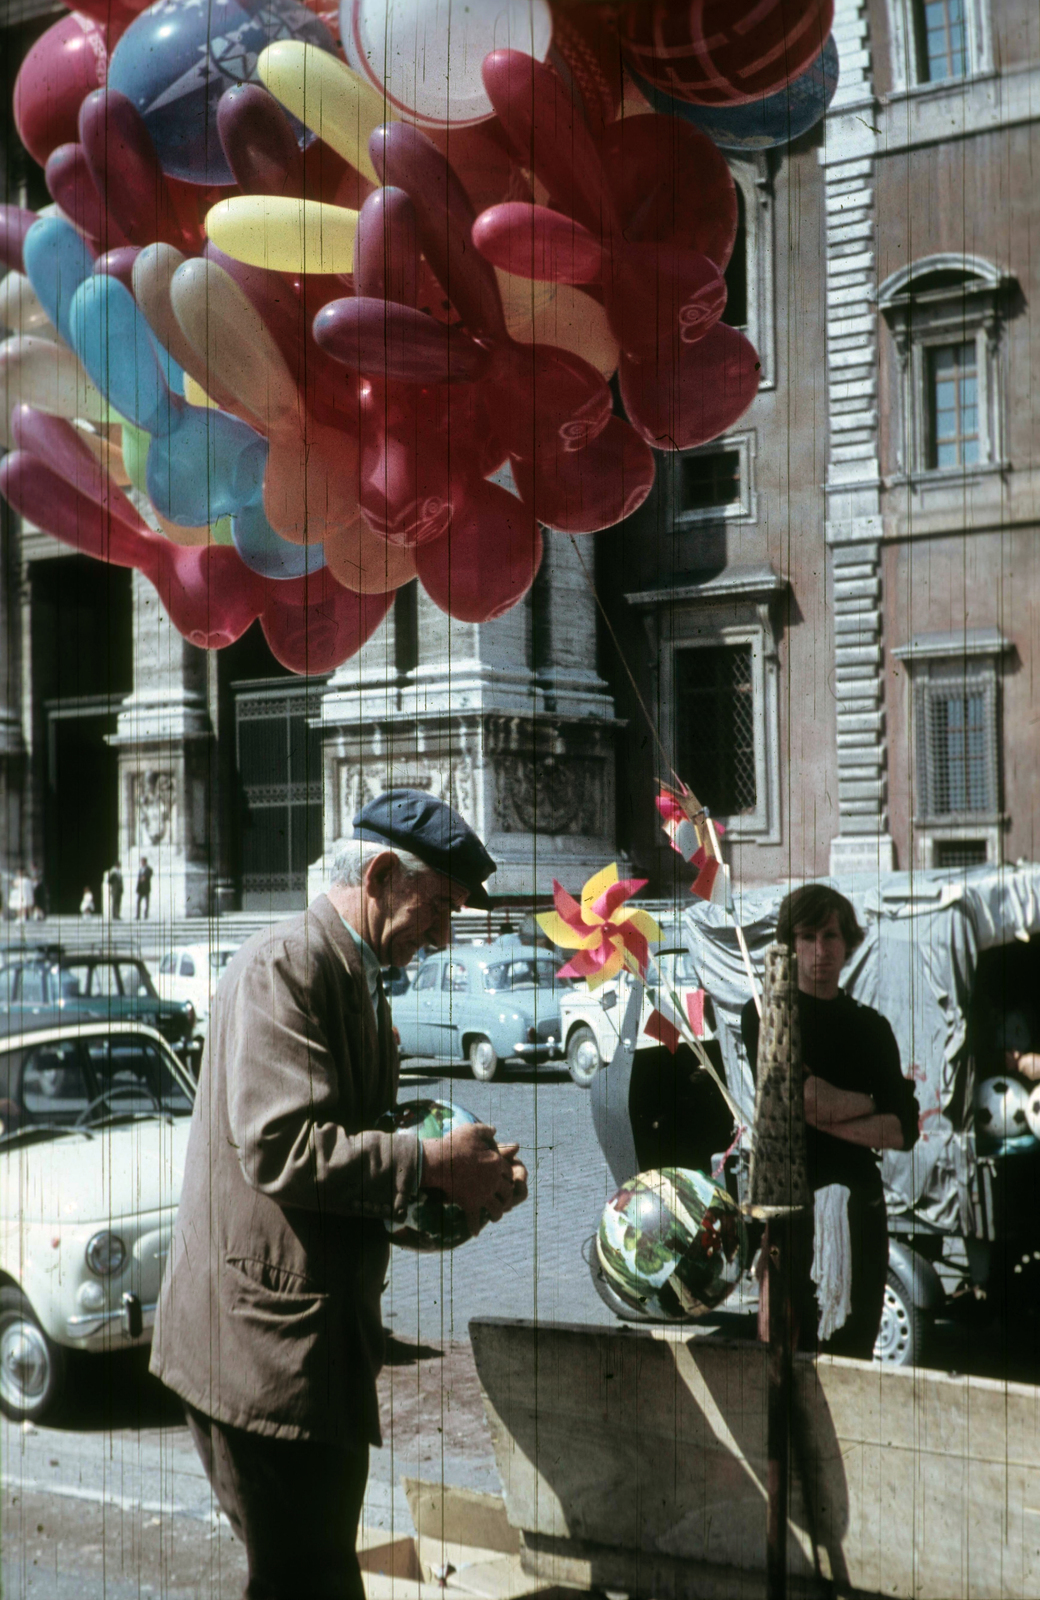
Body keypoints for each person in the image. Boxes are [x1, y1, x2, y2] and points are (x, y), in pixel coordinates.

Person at [150, 789, 528, 1600]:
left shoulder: (353, 976)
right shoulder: (284, 965)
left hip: (309, 1346)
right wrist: (431, 1165)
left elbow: (357, 1168)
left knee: (309, 1575)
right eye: (436, 910)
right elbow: (284, 1149)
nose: (442, 935)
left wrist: (465, 1190)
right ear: (385, 874)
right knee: (311, 1581)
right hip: (261, 1355)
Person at [741, 884, 919, 1359]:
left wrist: (826, 1111)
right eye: (807, 936)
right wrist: (868, 1102)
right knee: (784, 1357)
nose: (820, 951)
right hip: (791, 1216)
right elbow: (806, 1103)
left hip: (859, 1214)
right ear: (789, 943)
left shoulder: (870, 1027)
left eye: (831, 936)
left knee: (852, 1351)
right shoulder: (765, 1015)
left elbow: (902, 1131)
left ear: (848, 943)